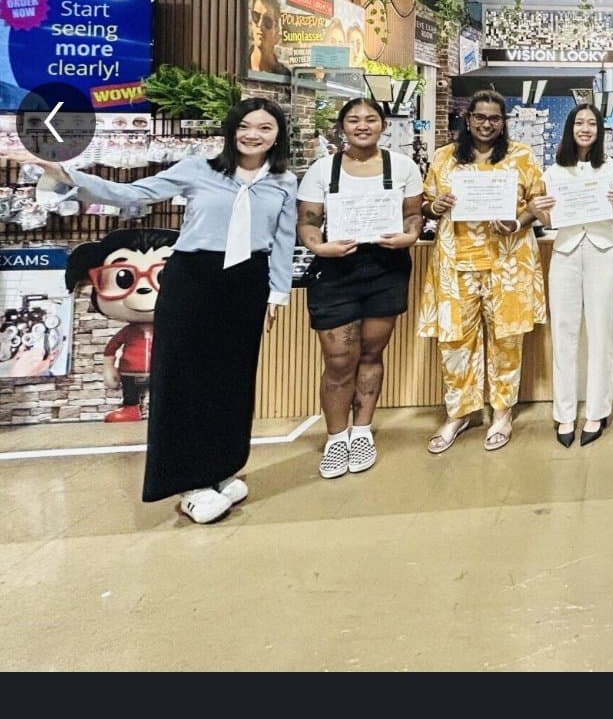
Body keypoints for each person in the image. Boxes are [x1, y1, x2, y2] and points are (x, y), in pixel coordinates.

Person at [4, 99, 297, 523]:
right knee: (182, 379)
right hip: (193, 279)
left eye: (265, 128)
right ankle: (188, 480)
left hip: (246, 283)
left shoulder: (284, 180)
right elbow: (133, 193)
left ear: (277, 134)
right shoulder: (199, 169)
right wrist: (66, 174)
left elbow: (283, 239)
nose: (254, 134)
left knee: (232, 380)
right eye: (245, 126)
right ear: (232, 130)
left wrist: (277, 294)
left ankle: (222, 469)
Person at [297, 97, 425, 479]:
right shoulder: (322, 170)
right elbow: (308, 221)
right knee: (338, 359)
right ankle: (337, 438)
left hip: (386, 266)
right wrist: (319, 246)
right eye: (354, 120)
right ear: (343, 127)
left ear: (383, 125)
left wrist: (410, 236)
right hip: (336, 268)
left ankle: (363, 430)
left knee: (371, 353)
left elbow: (413, 214)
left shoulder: (402, 166)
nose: (363, 125)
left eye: (371, 119)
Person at [418, 89, 547, 454]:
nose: (486, 124)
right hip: (455, 262)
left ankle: (502, 412)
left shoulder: (521, 156)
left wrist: (517, 221)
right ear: (468, 119)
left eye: (494, 118)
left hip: (508, 261)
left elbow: (538, 202)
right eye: (480, 117)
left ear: (503, 122)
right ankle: (459, 413)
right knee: (455, 341)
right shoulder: (444, 158)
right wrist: (435, 205)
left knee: (507, 339)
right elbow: (426, 204)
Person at [531, 104, 613, 448]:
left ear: (600, 129)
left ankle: (597, 410)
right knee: (564, 332)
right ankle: (564, 412)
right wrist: (539, 213)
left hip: (602, 250)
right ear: (569, 128)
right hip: (566, 252)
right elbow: (548, 222)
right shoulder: (554, 172)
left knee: (601, 330)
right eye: (579, 122)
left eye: (592, 123)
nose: (585, 128)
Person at [66, 226, 179, 422]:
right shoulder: (128, 332)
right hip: (129, 370)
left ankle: (169, 410)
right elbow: (111, 350)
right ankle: (131, 408)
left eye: (162, 277)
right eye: (124, 278)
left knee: (167, 391)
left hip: (164, 369)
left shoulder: (173, 331)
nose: (144, 289)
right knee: (131, 392)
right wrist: (109, 369)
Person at [248, 0, 290, 76]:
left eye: (267, 21)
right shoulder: (239, 64)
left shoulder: (285, 76)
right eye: (256, 16)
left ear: (276, 30)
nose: (260, 25)